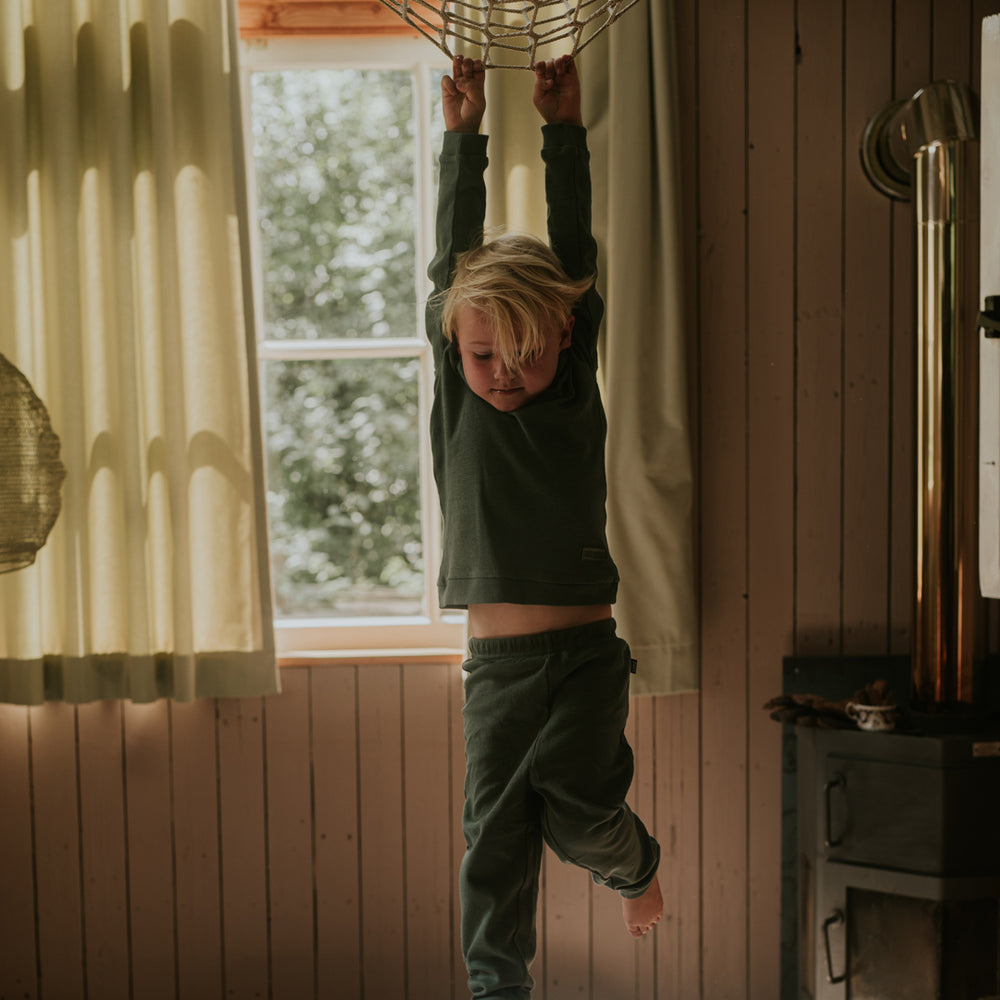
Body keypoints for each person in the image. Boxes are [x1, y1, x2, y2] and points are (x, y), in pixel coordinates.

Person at [426, 53, 663, 999]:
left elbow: (576, 248)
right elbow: (451, 257)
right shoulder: (463, 386)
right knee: (495, 841)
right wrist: (462, 135)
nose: (503, 373)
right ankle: (497, 991)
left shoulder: (567, 386)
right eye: (484, 354)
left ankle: (633, 866)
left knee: (576, 813)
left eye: (525, 353)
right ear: (456, 343)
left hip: (584, 659)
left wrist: (564, 133)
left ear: (566, 335)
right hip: (497, 671)